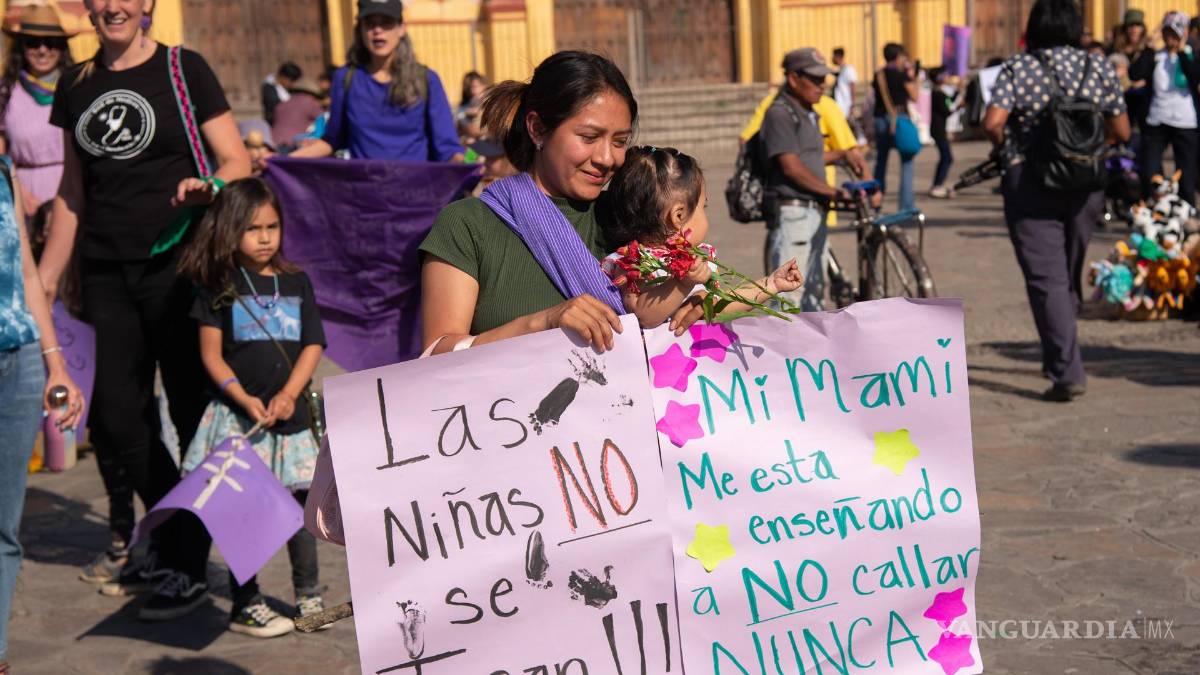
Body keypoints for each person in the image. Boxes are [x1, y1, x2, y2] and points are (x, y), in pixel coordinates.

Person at [39, 0, 252, 620]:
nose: (113, 6)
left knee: (190, 414)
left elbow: (235, 159)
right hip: (105, 270)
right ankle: (174, 536)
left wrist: (208, 187)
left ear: (147, 6)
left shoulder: (185, 69)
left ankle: (182, 561)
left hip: (178, 266)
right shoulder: (75, 83)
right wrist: (45, 281)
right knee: (114, 419)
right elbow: (72, 193)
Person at [419, 50, 706, 357]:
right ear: (538, 129)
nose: (606, 158)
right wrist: (541, 323)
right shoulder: (468, 225)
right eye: (588, 136)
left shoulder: (632, 215)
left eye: (620, 141)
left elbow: (690, 284)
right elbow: (437, 354)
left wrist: (700, 303)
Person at [177, 177, 326, 638]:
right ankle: (247, 601)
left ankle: (309, 595)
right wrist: (243, 398)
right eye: (253, 228)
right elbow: (211, 355)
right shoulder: (218, 288)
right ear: (229, 230)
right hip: (240, 421)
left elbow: (312, 344)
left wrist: (288, 395)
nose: (265, 238)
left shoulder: (296, 283)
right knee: (246, 516)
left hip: (291, 421)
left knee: (302, 511)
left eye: (272, 226)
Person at [983, 0, 1130, 402]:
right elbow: (1122, 127)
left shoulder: (1018, 67)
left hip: (1030, 182)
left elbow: (993, 122)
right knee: (1065, 270)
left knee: (1047, 278)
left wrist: (1010, 148)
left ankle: (1066, 370)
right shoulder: (1097, 66)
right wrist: (1086, 150)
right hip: (1086, 184)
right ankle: (1062, 349)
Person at [1, 158, 84, 675]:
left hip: (19, 360)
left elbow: (28, 272)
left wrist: (55, 364)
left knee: (4, 528)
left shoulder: (3, 171)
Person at [599, 145, 804, 327]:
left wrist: (771, 285)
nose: (705, 212)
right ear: (678, 216)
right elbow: (642, 315)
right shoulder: (634, 261)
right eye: (702, 206)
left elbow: (720, 304)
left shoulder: (695, 259)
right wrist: (681, 284)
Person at [290, 0, 462, 162]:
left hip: (417, 190)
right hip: (363, 190)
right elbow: (332, 140)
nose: (377, 30)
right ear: (360, 30)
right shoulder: (345, 78)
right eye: (370, 23)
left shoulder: (427, 80)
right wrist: (281, 161)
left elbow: (449, 149)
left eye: (386, 22)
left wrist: (475, 161)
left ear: (401, 28)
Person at [761, 48, 857, 311]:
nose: (821, 85)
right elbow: (791, 167)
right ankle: (785, 351)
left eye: (823, 79)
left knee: (814, 292)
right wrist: (832, 192)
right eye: (814, 79)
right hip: (795, 215)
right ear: (793, 78)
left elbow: (809, 158)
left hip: (814, 212)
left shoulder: (808, 112)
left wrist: (842, 155)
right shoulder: (779, 113)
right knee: (789, 297)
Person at [0, 4, 76, 219]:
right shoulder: (5, 93)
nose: (43, 50)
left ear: (62, 47)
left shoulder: (78, 89)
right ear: (21, 47)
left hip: (72, 197)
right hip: (22, 201)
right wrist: (22, 196)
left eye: (51, 43)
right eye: (33, 43)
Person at [1130, 11, 1200, 206]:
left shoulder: (1191, 55)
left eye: (1175, 33)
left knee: (1185, 173)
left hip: (1185, 122)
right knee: (1151, 170)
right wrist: (1148, 50)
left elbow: (1195, 76)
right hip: (1156, 120)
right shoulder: (1155, 56)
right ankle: (1155, 210)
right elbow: (1135, 74)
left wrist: (1182, 50)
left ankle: (1186, 214)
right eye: (1167, 33)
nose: (1170, 38)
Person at [871, 42, 918, 212]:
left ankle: (876, 201)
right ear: (898, 57)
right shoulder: (901, 76)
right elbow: (915, 97)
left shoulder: (879, 75)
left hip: (880, 120)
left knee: (881, 162)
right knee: (906, 162)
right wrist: (913, 77)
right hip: (900, 119)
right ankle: (906, 205)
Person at [929, 67, 962, 199]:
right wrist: (958, 107)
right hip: (938, 130)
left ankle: (937, 184)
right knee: (947, 157)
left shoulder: (940, 93)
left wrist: (957, 92)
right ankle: (937, 185)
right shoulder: (938, 94)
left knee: (946, 157)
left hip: (939, 129)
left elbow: (949, 101)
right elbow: (947, 110)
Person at [271, 77, 325, 152]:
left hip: (273, 144)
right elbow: (322, 121)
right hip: (293, 145)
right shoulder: (310, 102)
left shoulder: (282, 104)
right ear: (312, 94)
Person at [262, 62, 300, 126]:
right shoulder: (269, 88)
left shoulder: (288, 89)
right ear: (283, 77)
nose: (292, 84)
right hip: (275, 123)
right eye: (291, 81)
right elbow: (275, 105)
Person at [457, 70, 489, 144]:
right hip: (473, 142)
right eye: (470, 87)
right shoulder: (463, 108)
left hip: (488, 142)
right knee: (470, 143)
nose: (472, 91)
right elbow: (471, 130)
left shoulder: (488, 103)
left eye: (476, 87)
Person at [831, 47, 858, 119]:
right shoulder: (841, 71)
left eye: (833, 56)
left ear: (838, 57)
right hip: (839, 107)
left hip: (845, 107)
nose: (832, 58)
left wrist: (852, 105)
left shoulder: (848, 69)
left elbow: (853, 86)